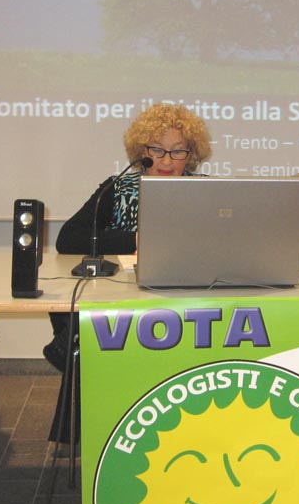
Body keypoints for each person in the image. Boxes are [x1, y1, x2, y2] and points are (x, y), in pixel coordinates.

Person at [47, 102, 212, 442]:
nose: (166, 161)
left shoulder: (208, 191)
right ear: (142, 152)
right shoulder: (118, 188)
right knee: (82, 316)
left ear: (191, 154)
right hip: (127, 298)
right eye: (157, 150)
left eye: (177, 151)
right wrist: (135, 239)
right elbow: (68, 238)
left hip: (186, 300)